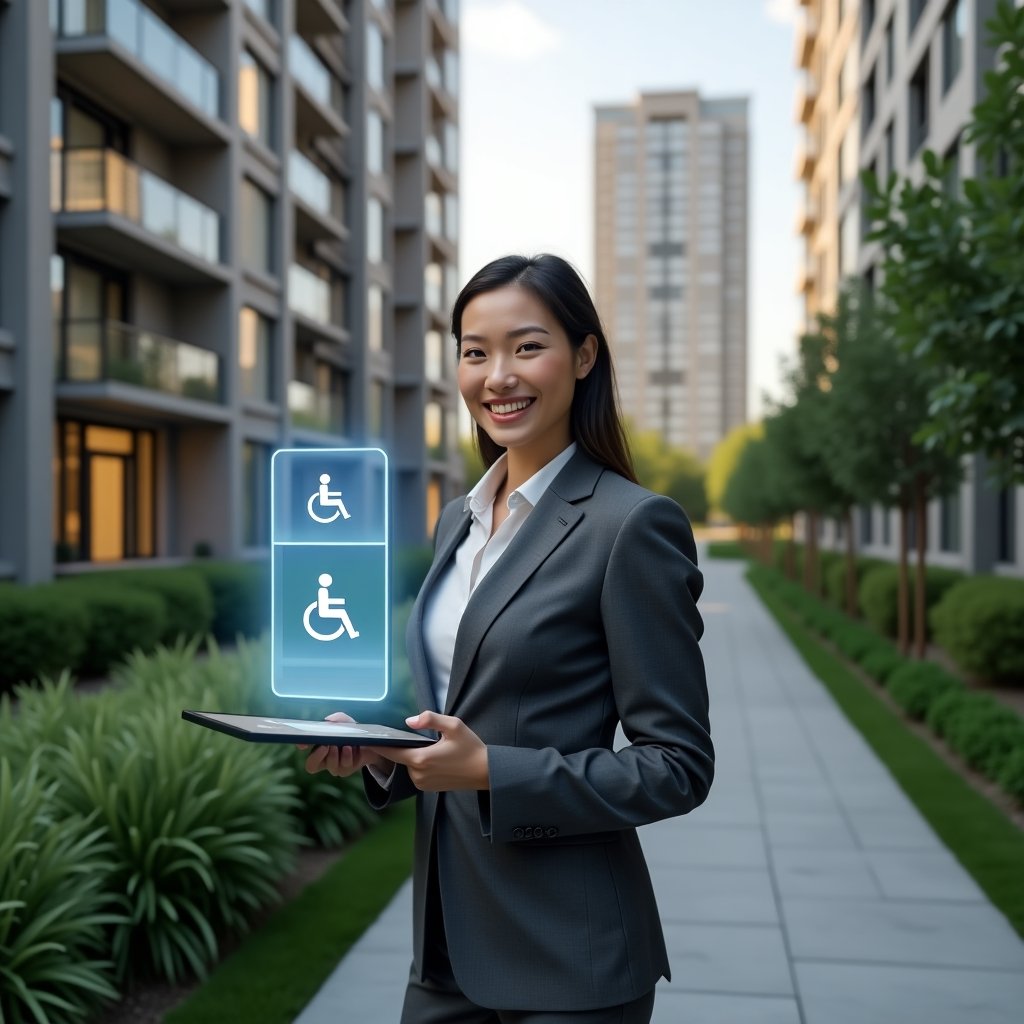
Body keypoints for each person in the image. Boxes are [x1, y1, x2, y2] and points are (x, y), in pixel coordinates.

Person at [304, 253, 714, 1023]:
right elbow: (465, 705)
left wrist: (493, 769)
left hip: (569, 959)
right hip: (446, 949)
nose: (497, 375)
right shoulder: (457, 520)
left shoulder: (632, 526)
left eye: (527, 346)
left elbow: (677, 767)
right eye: (474, 351)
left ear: (584, 355)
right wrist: (385, 748)